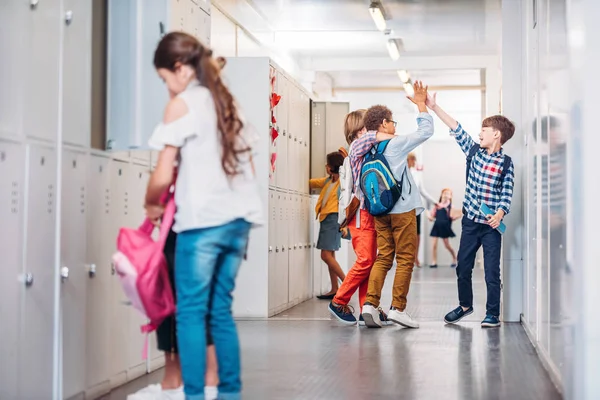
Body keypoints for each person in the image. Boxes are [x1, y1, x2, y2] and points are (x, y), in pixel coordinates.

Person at [145, 32, 263, 400]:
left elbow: (163, 171)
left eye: (165, 78)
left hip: (204, 223)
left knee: (191, 312)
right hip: (239, 220)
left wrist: (152, 203)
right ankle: (230, 394)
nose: (167, 87)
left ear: (179, 69)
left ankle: (194, 396)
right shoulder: (228, 103)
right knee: (220, 311)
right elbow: (251, 169)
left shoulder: (183, 104)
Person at [426, 93, 515, 328]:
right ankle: (465, 306)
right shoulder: (474, 153)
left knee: (491, 272)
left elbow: (506, 193)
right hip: (471, 223)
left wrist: (500, 214)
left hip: (491, 227)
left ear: (496, 134)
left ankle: (492, 314)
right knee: (463, 267)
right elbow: (456, 128)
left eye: (484, 130)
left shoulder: (506, 164)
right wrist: (434, 107)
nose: (480, 133)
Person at [360, 81, 434, 329]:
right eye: (392, 122)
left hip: (380, 211)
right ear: (384, 124)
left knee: (383, 258)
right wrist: (422, 105)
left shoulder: (367, 149)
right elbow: (425, 133)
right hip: (402, 210)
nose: (394, 127)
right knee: (405, 258)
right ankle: (398, 309)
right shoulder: (394, 144)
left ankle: (370, 305)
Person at [327, 109, 396, 326]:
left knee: (370, 262)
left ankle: (368, 307)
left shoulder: (365, 149)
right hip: (359, 215)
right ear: (361, 129)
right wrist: (393, 133)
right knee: (365, 260)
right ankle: (338, 301)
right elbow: (373, 137)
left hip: (368, 213)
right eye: (369, 124)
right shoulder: (357, 147)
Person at [310, 152, 347, 299]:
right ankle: (334, 289)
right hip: (326, 219)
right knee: (330, 254)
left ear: (332, 167)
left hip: (333, 219)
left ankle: (346, 284)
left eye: (328, 164)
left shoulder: (341, 183)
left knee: (325, 255)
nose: (326, 166)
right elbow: (312, 182)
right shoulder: (328, 181)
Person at [407, 152, 437, 267]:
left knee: (417, 234)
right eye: (412, 160)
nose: (414, 163)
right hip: (403, 209)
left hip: (415, 208)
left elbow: (422, 191)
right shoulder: (400, 172)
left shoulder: (417, 175)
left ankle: (416, 257)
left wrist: (435, 202)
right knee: (407, 234)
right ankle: (408, 257)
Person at [427, 188, 460, 268]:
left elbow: (453, 216)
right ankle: (434, 261)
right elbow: (431, 217)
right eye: (444, 193)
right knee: (434, 244)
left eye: (448, 194)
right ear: (441, 194)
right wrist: (428, 214)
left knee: (447, 245)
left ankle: (454, 258)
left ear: (450, 197)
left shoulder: (450, 206)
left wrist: (457, 215)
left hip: (445, 227)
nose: (446, 195)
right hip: (436, 226)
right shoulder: (437, 206)